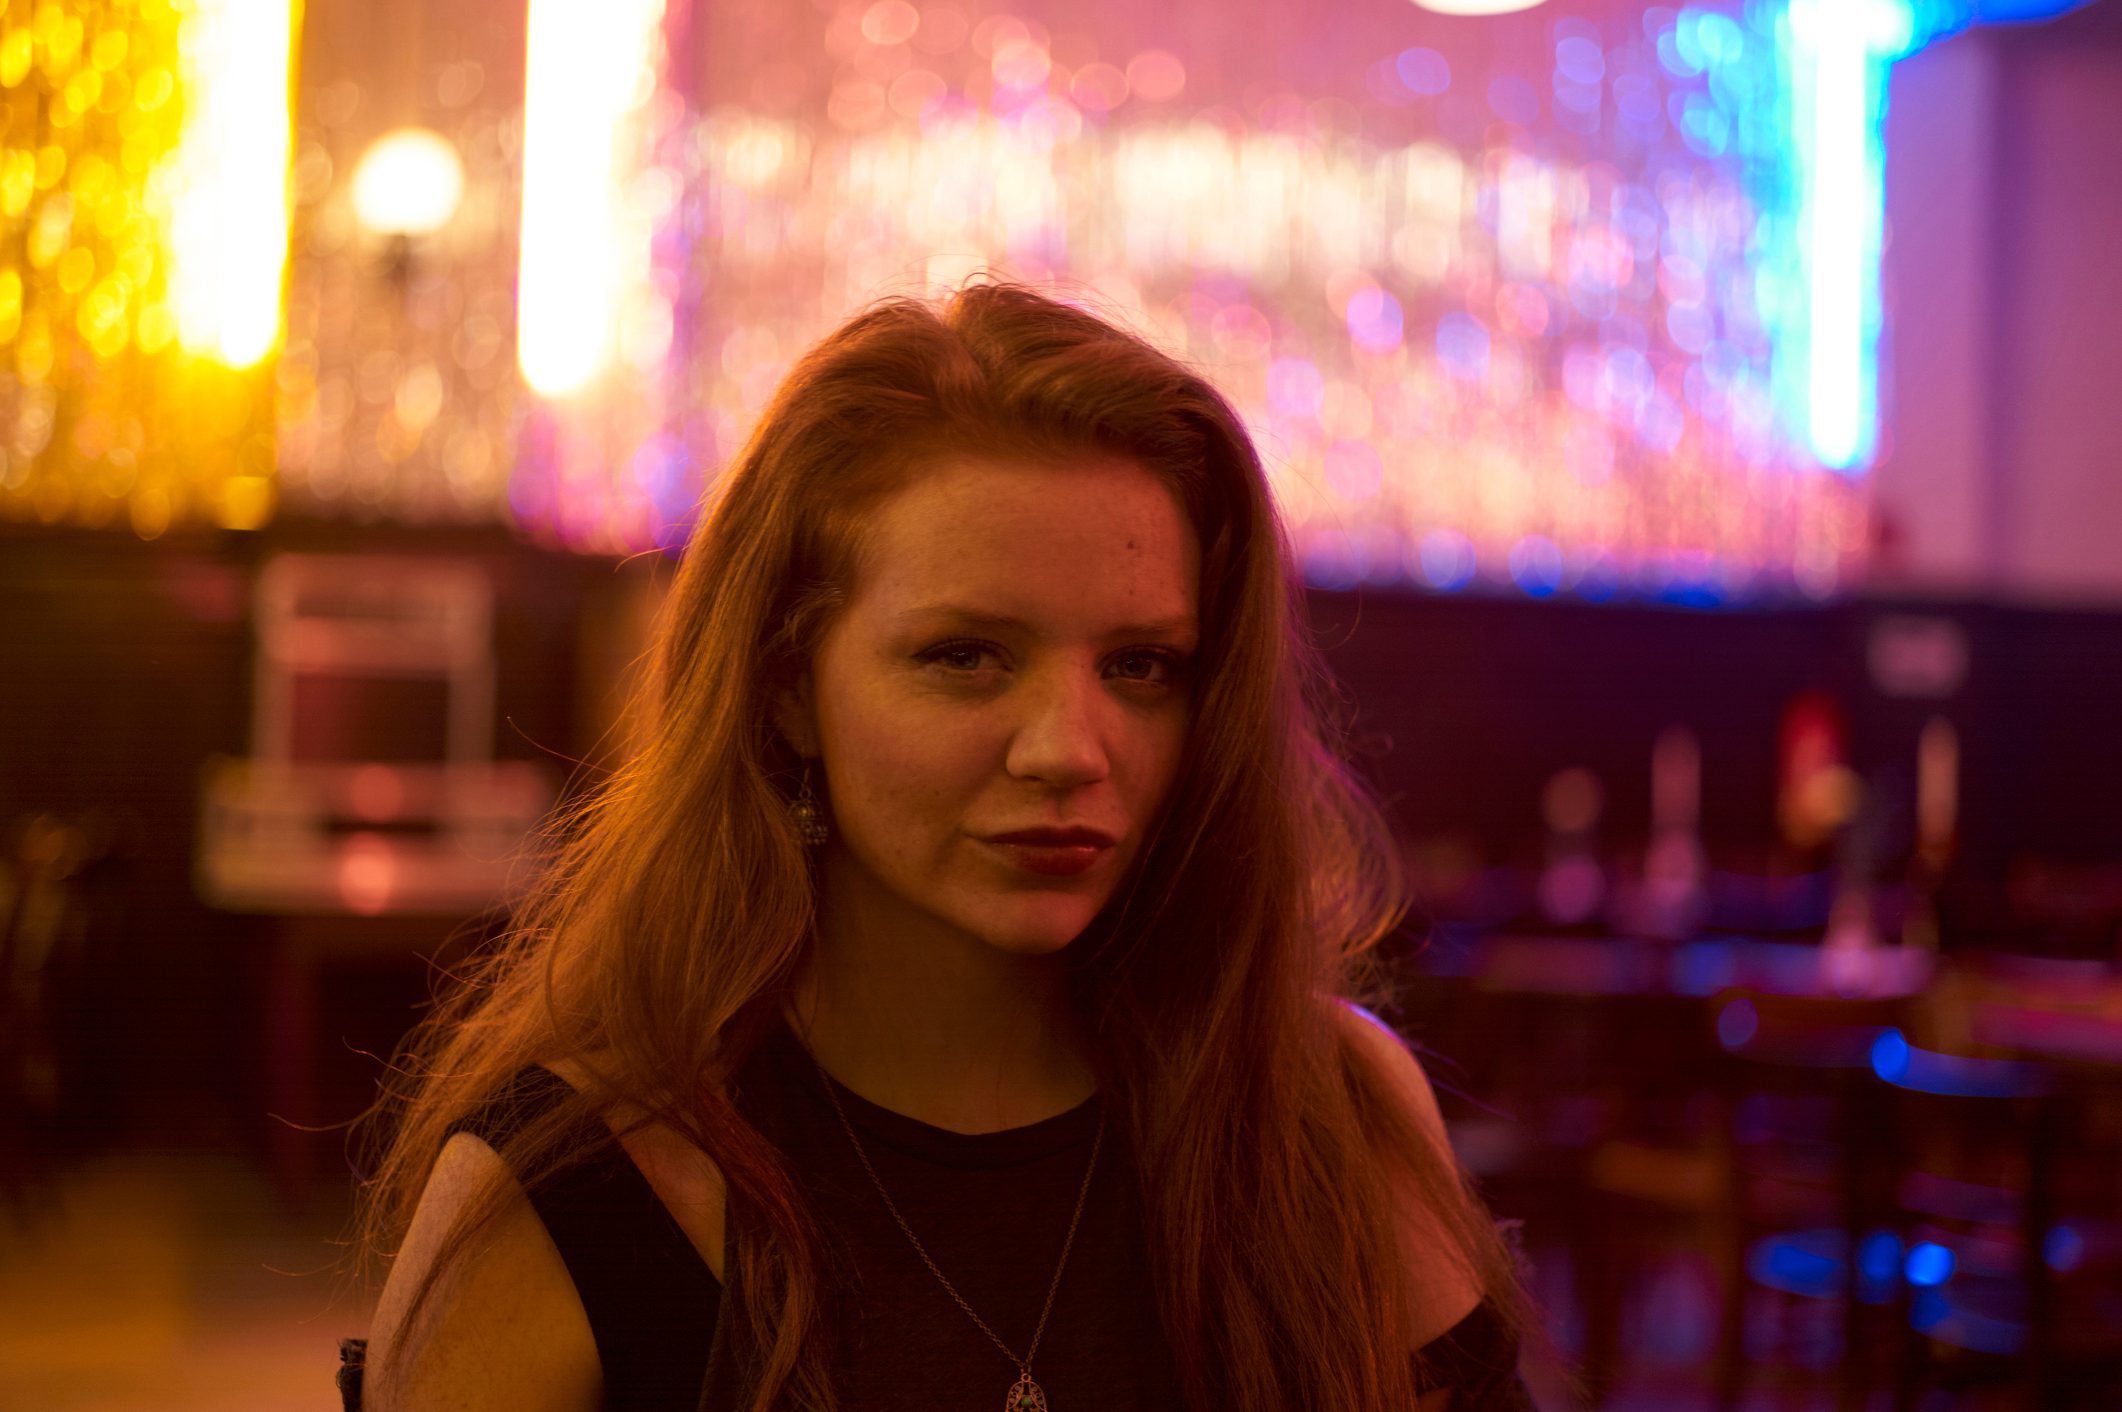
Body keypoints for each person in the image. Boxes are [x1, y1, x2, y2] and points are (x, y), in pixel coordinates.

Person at [347, 282, 1538, 1411]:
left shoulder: (1325, 1110)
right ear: (786, 691)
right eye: (966, 656)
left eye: (1140, 666)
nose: (1071, 748)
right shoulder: (585, 1189)